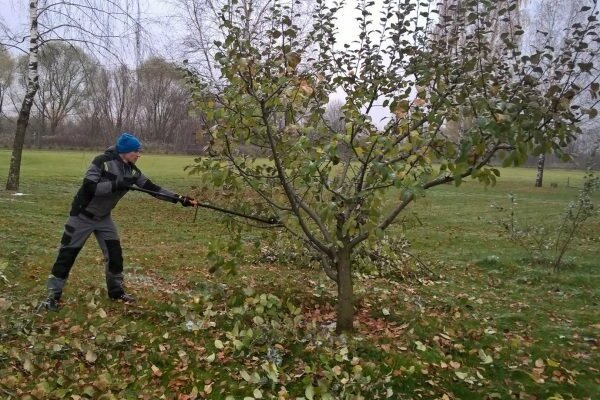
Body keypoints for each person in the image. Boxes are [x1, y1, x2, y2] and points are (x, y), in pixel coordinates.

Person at [44, 133, 197, 311]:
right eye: (135, 151)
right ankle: (52, 296)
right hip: (82, 215)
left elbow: (153, 189)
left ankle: (116, 292)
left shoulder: (132, 171)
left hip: (104, 218)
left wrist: (179, 198)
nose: (138, 154)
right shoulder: (102, 161)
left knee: (115, 255)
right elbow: (89, 187)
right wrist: (116, 183)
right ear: (124, 151)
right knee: (67, 255)